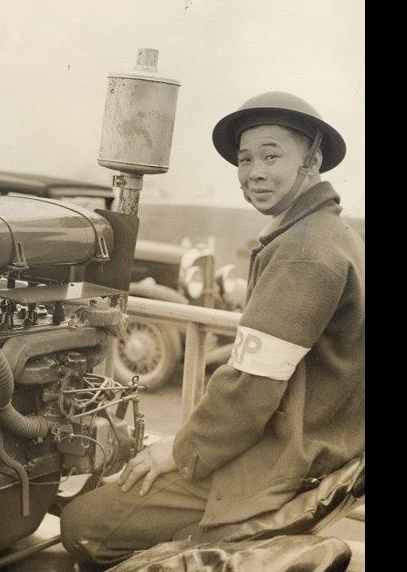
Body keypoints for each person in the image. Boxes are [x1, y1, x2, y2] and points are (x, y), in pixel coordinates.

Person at [60, 91, 365, 569]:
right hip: (318, 445)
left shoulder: (305, 251)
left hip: (282, 459)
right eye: (245, 160)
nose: (254, 172)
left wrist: (180, 453)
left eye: (271, 155)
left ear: (314, 158)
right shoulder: (334, 235)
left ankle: (264, 556)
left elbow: (250, 389)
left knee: (83, 527)